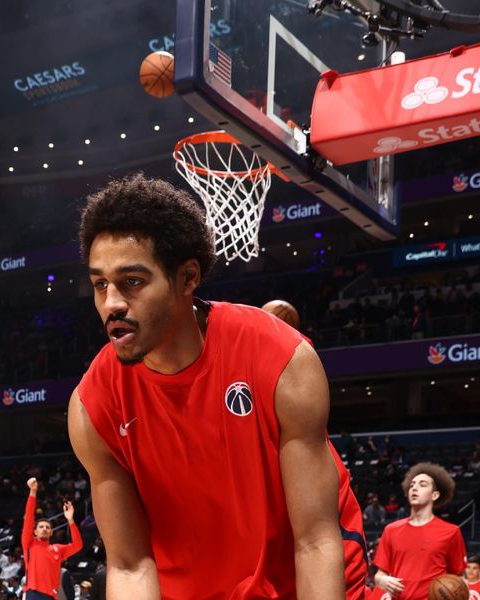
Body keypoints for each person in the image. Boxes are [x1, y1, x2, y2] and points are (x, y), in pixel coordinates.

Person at [68, 174, 370, 599]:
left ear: (188, 277)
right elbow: (130, 564)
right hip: (194, 584)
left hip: (299, 574)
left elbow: (316, 541)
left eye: (131, 281)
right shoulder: (91, 405)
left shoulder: (280, 356)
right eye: (101, 285)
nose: (112, 303)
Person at [372, 463, 466, 600]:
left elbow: (459, 577)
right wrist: (382, 581)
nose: (414, 488)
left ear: (434, 495)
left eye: (422, 485)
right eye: (412, 485)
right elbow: (379, 574)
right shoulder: (391, 530)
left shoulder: (451, 532)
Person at [22, 478, 82, 600]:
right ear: (35, 531)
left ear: (51, 532)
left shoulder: (58, 549)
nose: (44, 529)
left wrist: (70, 520)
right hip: (33, 594)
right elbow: (28, 517)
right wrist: (33, 492)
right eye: (41, 527)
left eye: (47, 527)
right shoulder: (29, 543)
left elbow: (78, 545)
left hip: (51, 596)